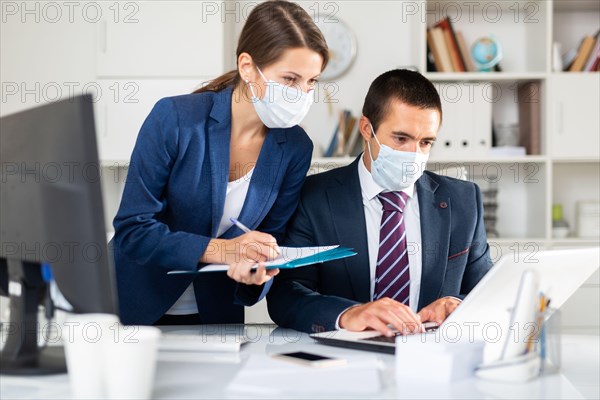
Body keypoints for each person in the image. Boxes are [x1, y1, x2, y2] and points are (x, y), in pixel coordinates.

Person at [111, 0, 328, 326]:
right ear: (247, 66)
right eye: (290, 79)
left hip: (215, 316)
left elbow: (271, 239)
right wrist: (226, 252)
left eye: (312, 82)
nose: (302, 94)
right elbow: (133, 230)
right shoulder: (175, 119)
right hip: (133, 306)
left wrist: (257, 272)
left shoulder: (295, 147)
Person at [267, 69, 493, 336]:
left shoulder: (463, 200)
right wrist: (347, 314)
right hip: (342, 360)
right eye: (401, 138)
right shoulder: (313, 197)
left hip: (429, 360)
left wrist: (458, 305)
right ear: (367, 129)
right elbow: (286, 295)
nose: (414, 154)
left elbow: (489, 291)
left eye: (426, 142)